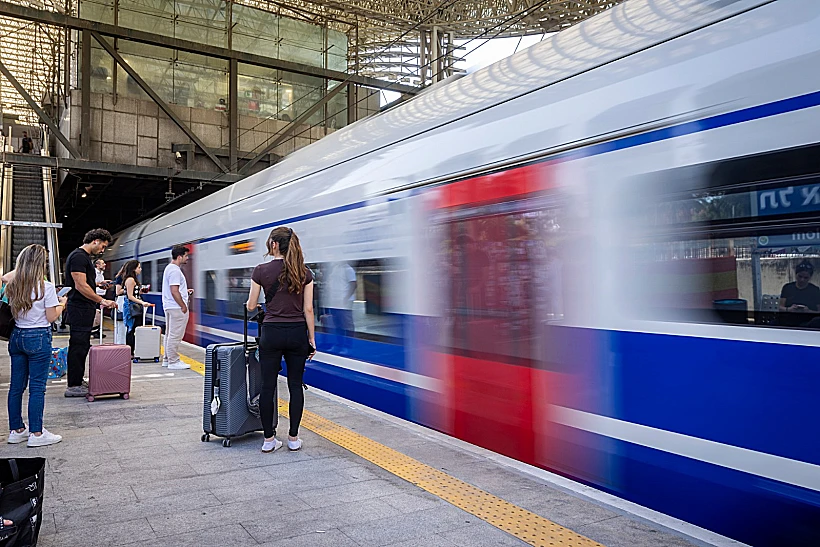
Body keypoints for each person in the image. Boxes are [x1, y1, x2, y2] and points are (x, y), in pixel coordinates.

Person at [246, 227, 315, 453]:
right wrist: (311, 339)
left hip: (271, 333)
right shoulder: (304, 273)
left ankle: (269, 440)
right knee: (295, 385)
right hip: (297, 334)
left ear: (274, 244)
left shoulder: (261, 270)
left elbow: (251, 305)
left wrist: (261, 305)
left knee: (267, 386)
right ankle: (293, 438)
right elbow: (308, 309)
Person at [5, 245, 66, 446]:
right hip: (38, 337)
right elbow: (51, 317)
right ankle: (37, 434)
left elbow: (5, 277)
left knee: (16, 387)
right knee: (37, 388)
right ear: (41, 264)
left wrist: (21, 268)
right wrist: (62, 304)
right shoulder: (45, 287)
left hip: (17, 337)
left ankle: (16, 430)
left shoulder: (13, 284)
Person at [64, 229, 117, 398]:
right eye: (103, 246)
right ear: (95, 241)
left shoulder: (83, 257)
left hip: (83, 308)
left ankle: (78, 381)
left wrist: (97, 284)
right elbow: (80, 285)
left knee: (82, 345)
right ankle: (73, 385)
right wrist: (102, 300)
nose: (102, 250)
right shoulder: (79, 257)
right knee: (78, 346)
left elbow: (85, 282)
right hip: (79, 308)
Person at [161, 245, 193, 370]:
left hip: (170, 306)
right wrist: (183, 306)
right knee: (175, 336)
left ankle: (167, 359)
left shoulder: (169, 268)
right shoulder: (175, 270)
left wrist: (185, 291)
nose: (187, 258)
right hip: (176, 308)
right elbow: (174, 291)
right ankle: (173, 361)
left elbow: (175, 289)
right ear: (179, 257)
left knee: (169, 334)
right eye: (186, 256)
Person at [121, 260, 152, 355]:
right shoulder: (130, 280)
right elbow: (130, 296)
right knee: (132, 329)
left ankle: (132, 351)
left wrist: (141, 291)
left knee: (134, 329)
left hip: (134, 307)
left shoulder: (132, 280)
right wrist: (142, 302)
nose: (140, 269)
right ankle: (130, 352)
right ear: (133, 269)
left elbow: (133, 293)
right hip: (132, 308)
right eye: (139, 267)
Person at [326, 261, 356, 354]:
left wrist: (346, 298)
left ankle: (348, 346)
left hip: (344, 302)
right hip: (335, 301)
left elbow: (353, 284)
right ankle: (339, 344)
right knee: (338, 324)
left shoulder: (348, 269)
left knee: (346, 324)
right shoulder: (335, 268)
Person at [778, 261, 820, 327]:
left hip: (808, 322)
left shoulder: (815, 290)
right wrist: (789, 309)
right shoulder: (787, 287)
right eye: (800, 276)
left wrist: (808, 311)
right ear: (796, 274)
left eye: (806, 278)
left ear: (810, 277)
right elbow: (780, 307)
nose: (802, 280)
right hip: (788, 320)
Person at [91, 259, 108, 338]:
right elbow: (91, 283)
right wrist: (101, 284)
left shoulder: (101, 273)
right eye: (103, 263)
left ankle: (97, 331)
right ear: (97, 265)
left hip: (101, 295)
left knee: (99, 314)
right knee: (96, 314)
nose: (105, 264)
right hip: (96, 295)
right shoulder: (94, 273)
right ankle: (93, 331)